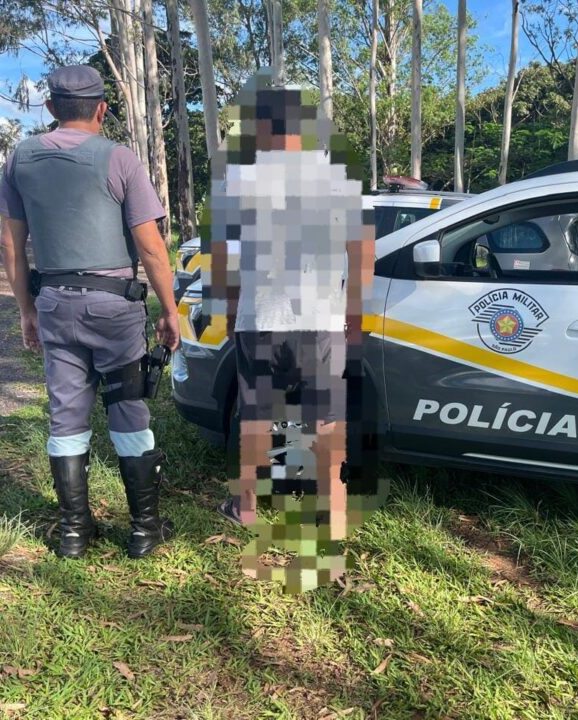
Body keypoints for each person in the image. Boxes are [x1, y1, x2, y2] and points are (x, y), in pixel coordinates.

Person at [0, 65, 180, 559]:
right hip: (114, 307)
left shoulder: (21, 158)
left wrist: (26, 308)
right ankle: (144, 530)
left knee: (66, 416)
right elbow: (151, 246)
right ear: (102, 109)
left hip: (55, 303)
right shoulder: (119, 158)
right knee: (128, 409)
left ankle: (74, 533)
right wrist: (169, 309)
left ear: (50, 108)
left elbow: (10, 245)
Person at [205, 71, 376, 592]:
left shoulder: (240, 179)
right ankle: (331, 533)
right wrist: (354, 310)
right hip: (321, 323)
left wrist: (230, 309)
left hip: (261, 320)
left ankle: (247, 507)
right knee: (327, 427)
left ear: (262, 126)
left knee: (256, 417)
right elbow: (361, 249)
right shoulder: (339, 176)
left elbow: (224, 257)